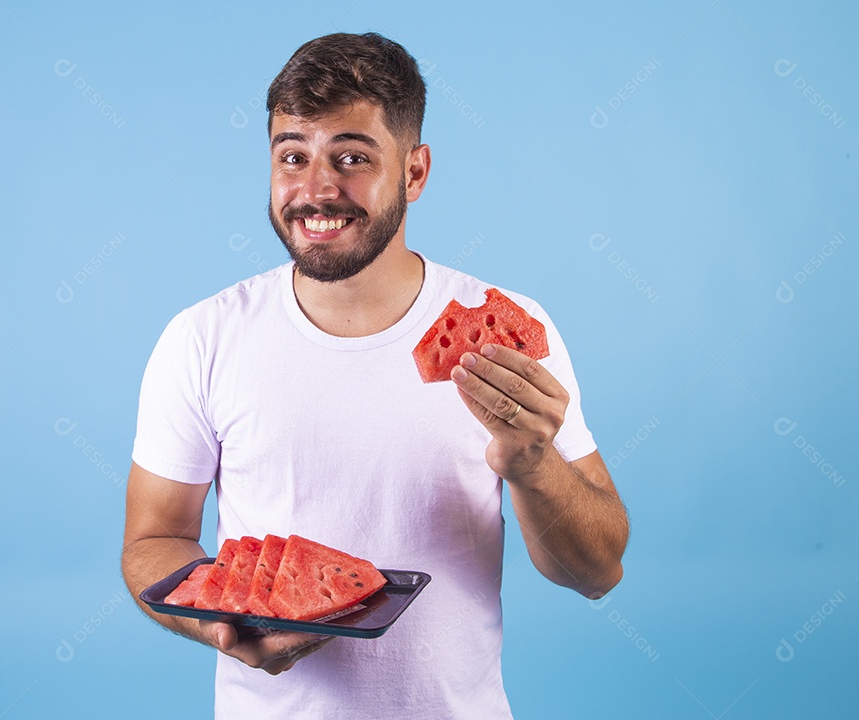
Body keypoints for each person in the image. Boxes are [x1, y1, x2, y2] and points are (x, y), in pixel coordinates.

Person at [122, 31, 629, 720]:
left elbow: (597, 572)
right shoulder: (203, 338)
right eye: (293, 156)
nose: (317, 189)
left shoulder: (506, 342)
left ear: (415, 173)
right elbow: (154, 540)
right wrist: (214, 624)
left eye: (352, 157)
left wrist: (533, 464)